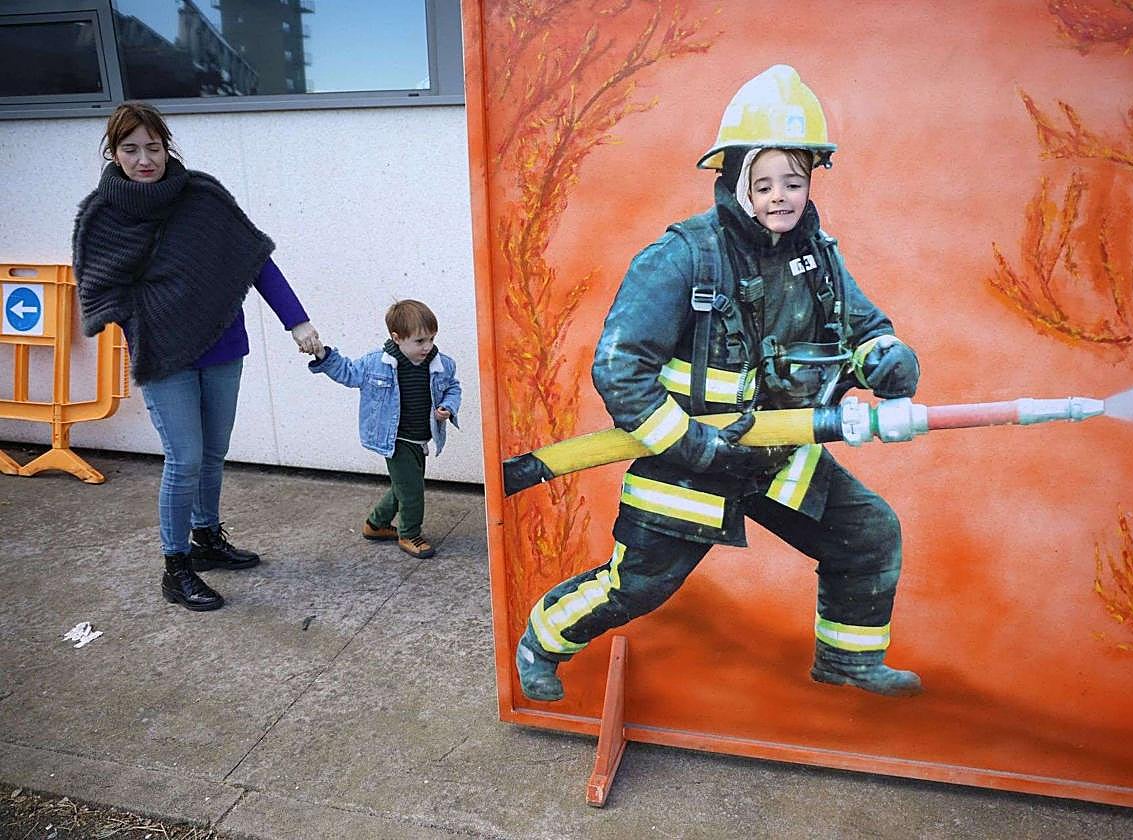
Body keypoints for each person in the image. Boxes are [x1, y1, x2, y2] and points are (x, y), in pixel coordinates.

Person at [515, 65, 924, 702]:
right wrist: (692, 447)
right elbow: (619, 371)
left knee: (868, 534)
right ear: (733, 179)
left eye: (794, 180)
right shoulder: (682, 257)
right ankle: (541, 642)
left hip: (778, 455)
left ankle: (847, 662)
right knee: (639, 586)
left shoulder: (817, 254)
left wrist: (888, 359)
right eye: (763, 183)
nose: (781, 196)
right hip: (689, 460)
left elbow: (864, 327)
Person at [73, 101, 323, 612]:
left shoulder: (203, 196)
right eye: (131, 149)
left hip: (224, 344)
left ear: (167, 147)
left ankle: (207, 539)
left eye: (153, 147)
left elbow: (256, 259)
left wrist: (297, 321)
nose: (145, 159)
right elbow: (101, 287)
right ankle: (176, 566)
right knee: (184, 459)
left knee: (212, 452)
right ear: (113, 153)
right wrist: (153, 313)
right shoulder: (103, 215)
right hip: (163, 353)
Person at [308, 299, 462, 558]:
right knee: (412, 491)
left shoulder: (441, 364)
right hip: (395, 439)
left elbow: (452, 388)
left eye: (432, 339)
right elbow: (347, 373)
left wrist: (448, 405)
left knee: (403, 485)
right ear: (397, 338)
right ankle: (409, 533)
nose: (428, 347)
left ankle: (375, 525)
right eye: (420, 341)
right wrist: (323, 355)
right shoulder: (375, 363)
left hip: (420, 438)